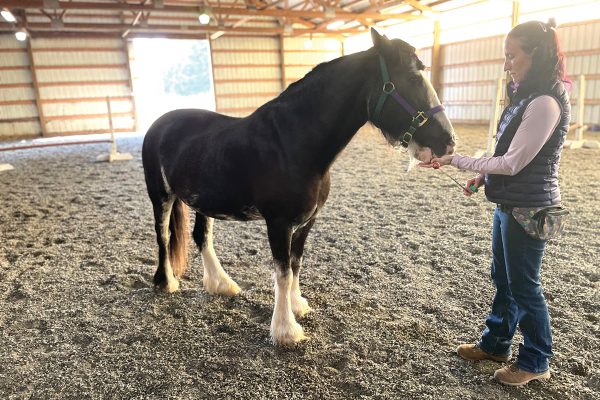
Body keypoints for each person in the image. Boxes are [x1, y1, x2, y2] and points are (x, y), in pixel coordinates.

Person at [420, 18, 570, 386]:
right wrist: (483, 176)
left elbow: (514, 162)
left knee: (525, 286)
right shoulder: (524, 97)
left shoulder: (546, 102)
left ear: (535, 54)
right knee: (504, 279)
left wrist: (457, 160)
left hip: (531, 208)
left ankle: (536, 360)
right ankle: (496, 343)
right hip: (510, 203)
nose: (507, 64)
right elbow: (505, 152)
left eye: (511, 56)